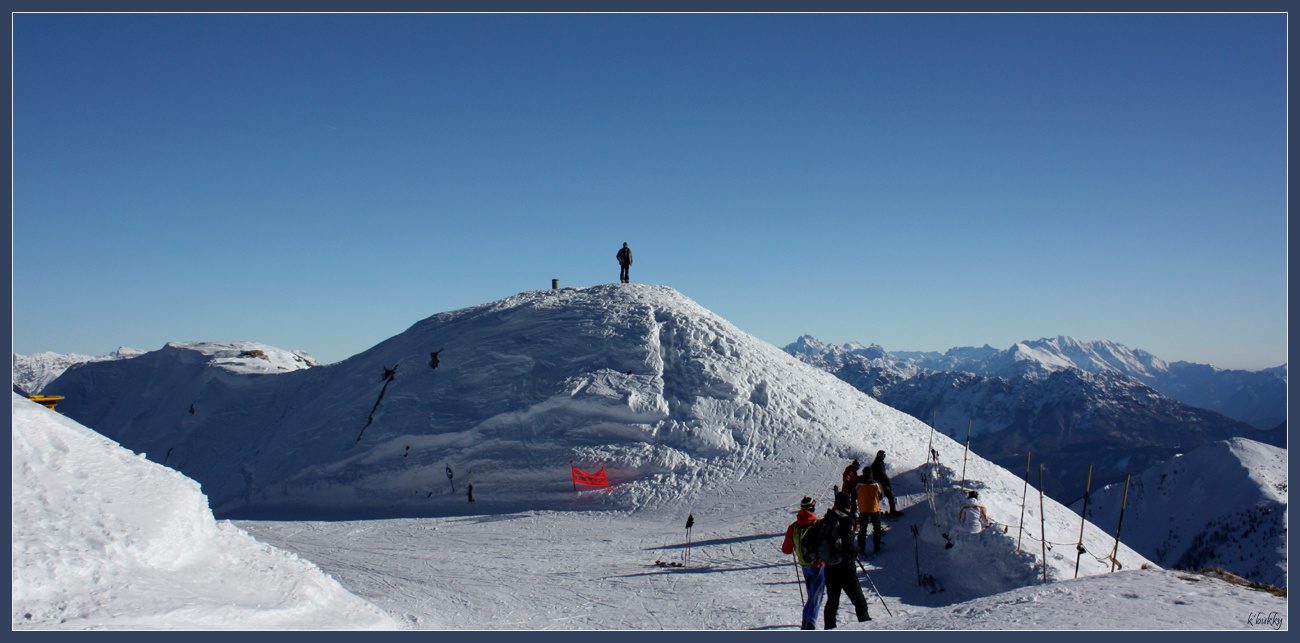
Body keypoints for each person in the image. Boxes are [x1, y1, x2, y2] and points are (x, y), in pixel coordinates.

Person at [819, 491, 871, 628]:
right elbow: (848, 543)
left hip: (829, 565)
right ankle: (866, 627)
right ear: (848, 504)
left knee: (832, 602)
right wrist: (853, 554)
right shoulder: (846, 519)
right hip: (844, 566)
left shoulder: (829, 518)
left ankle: (829, 629)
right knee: (859, 601)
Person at [780, 497, 826, 630]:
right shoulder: (818, 524)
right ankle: (809, 627)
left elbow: (786, 550)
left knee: (811, 598)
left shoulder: (793, 527)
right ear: (812, 508)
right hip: (819, 566)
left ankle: (805, 626)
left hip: (805, 566)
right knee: (816, 599)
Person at [855, 471, 884, 555]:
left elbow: (854, 495)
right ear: (871, 474)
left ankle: (861, 547)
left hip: (863, 509)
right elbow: (881, 496)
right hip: (874, 509)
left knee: (863, 529)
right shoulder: (876, 484)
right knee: (877, 528)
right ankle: (876, 547)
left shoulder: (859, 484)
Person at [871, 450, 901, 517]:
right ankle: (892, 511)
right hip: (880, 482)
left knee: (878, 496)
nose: (881, 457)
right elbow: (882, 474)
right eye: (880, 455)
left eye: (882, 455)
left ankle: (874, 511)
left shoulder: (878, 463)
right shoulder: (878, 463)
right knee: (890, 495)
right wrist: (887, 482)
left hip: (878, 482)